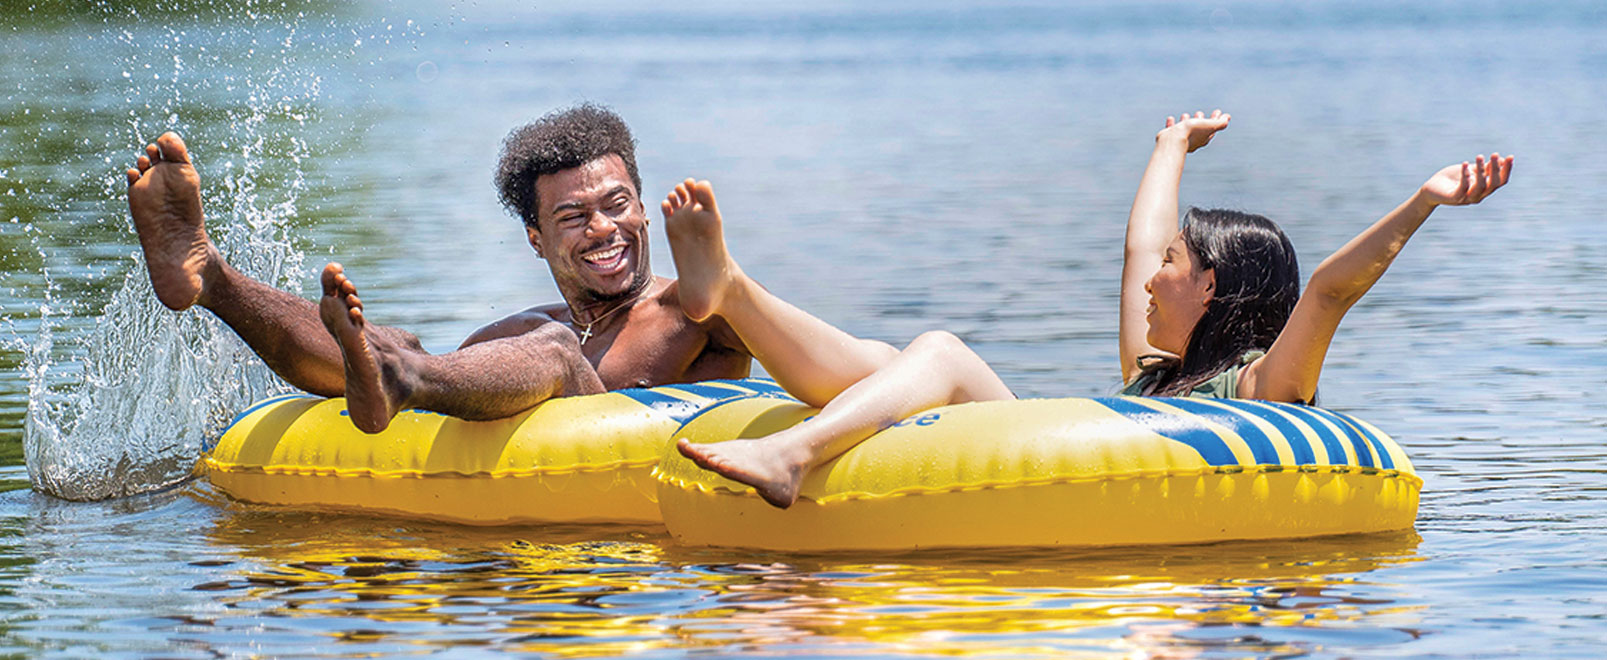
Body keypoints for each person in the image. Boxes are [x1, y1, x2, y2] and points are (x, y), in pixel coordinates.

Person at [672, 109, 1514, 508]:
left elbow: (1328, 289)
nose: (1152, 280)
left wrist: (1422, 202)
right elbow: (1135, 250)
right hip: (1033, 465)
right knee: (891, 362)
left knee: (940, 351)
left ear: (1214, 287)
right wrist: (1168, 146)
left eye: (1174, 268)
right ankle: (735, 292)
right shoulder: (1151, 378)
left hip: (1079, 504)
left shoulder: (1263, 392)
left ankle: (792, 453)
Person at [125, 104, 770, 433]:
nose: (602, 228)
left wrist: (717, 276)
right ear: (536, 240)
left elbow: (799, 352)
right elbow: (460, 386)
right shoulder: (512, 333)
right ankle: (215, 279)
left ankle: (400, 377)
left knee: (552, 352)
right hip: (533, 540)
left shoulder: (697, 309)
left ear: (643, 213)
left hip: (638, 531)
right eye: (573, 217)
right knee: (405, 345)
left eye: (617, 204)